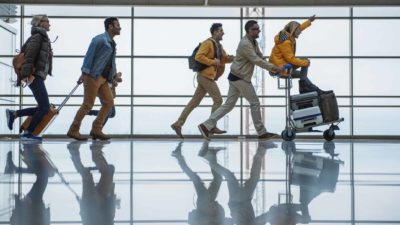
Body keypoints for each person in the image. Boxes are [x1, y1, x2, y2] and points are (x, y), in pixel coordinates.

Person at [198, 20, 284, 140]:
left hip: (236, 76)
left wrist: (272, 67)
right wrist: (274, 68)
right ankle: (262, 133)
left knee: (228, 105)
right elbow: (256, 60)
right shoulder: (245, 44)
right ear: (249, 31)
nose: (258, 30)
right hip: (240, 78)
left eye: (258, 28)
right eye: (256, 29)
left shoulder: (253, 42)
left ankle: (206, 126)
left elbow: (260, 57)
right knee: (255, 103)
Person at [171, 23, 234, 138]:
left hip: (207, 77)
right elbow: (198, 56)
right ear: (215, 32)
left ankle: (178, 123)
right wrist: (212, 62)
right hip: (205, 76)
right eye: (221, 31)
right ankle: (210, 126)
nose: (223, 33)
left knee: (194, 102)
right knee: (218, 100)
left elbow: (223, 59)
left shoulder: (219, 46)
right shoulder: (208, 43)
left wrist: (232, 59)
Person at [67, 17, 121, 141]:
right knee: (87, 105)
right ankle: (73, 129)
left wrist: (113, 76)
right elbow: (89, 56)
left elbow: (111, 62)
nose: (120, 27)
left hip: (103, 79)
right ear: (110, 26)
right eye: (117, 25)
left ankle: (96, 129)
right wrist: (84, 73)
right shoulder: (100, 39)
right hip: (93, 76)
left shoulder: (111, 43)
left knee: (109, 102)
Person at [5, 15, 53, 141]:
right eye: (47, 21)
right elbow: (29, 57)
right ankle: (28, 132)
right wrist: (27, 75)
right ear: (40, 23)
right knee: (45, 107)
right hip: (34, 76)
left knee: (43, 107)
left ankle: (14, 114)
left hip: (37, 76)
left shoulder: (41, 37)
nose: (49, 24)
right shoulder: (37, 37)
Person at [171, 141, 233, 225]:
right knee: (196, 179)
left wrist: (214, 218)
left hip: (206, 203)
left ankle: (210, 155)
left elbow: (222, 220)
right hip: (203, 203)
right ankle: (179, 156)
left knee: (216, 179)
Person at [269, 15, 327, 94]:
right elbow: (291, 59)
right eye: (298, 31)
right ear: (293, 30)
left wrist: (309, 21)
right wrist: (305, 63)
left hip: (283, 64)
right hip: (281, 68)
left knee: (303, 73)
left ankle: (306, 86)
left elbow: (299, 28)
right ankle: (307, 87)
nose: (300, 32)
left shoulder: (287, 36)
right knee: (305, 62)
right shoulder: (286, 42)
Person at [67, 141, 117, 225]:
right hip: (102, 203)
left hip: (92, 206)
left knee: (87, 176)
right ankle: (95, 152)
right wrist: (112, 195)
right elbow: (110, 217)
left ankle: (74, 151)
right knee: (107, 172)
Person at [5, 143, 54, 225]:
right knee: (43, 176)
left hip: (33, 205)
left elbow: (15, 221)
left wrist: (23, 206)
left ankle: (19, 164)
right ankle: (16, 167)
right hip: (34, 205)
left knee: (44, 176)